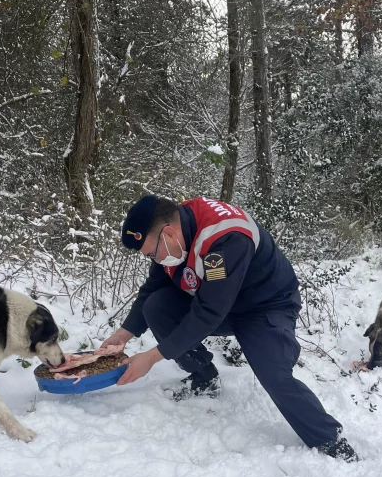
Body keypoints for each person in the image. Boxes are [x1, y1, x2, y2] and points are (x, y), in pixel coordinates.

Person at [102, 194, 358, 461]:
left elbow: (208, 313)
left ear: (167, 233)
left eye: (152, 253)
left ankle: (330, 440)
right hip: (219, 301)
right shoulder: (176, 232)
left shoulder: (224, 239)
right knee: (156, 306)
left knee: (272, 371)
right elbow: (155, 286)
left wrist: (152, 358)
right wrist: (124, 333)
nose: (155, 261)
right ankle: (204, 378)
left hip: (264, 306)